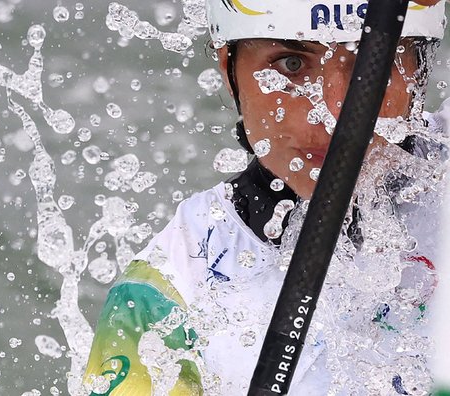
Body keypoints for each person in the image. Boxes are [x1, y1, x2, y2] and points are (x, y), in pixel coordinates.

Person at [82, 0, 448, 394]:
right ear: (228, 70)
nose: (333, 110)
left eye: (370, 65)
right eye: (291, 64)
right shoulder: (165, 293)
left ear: (420, 74)